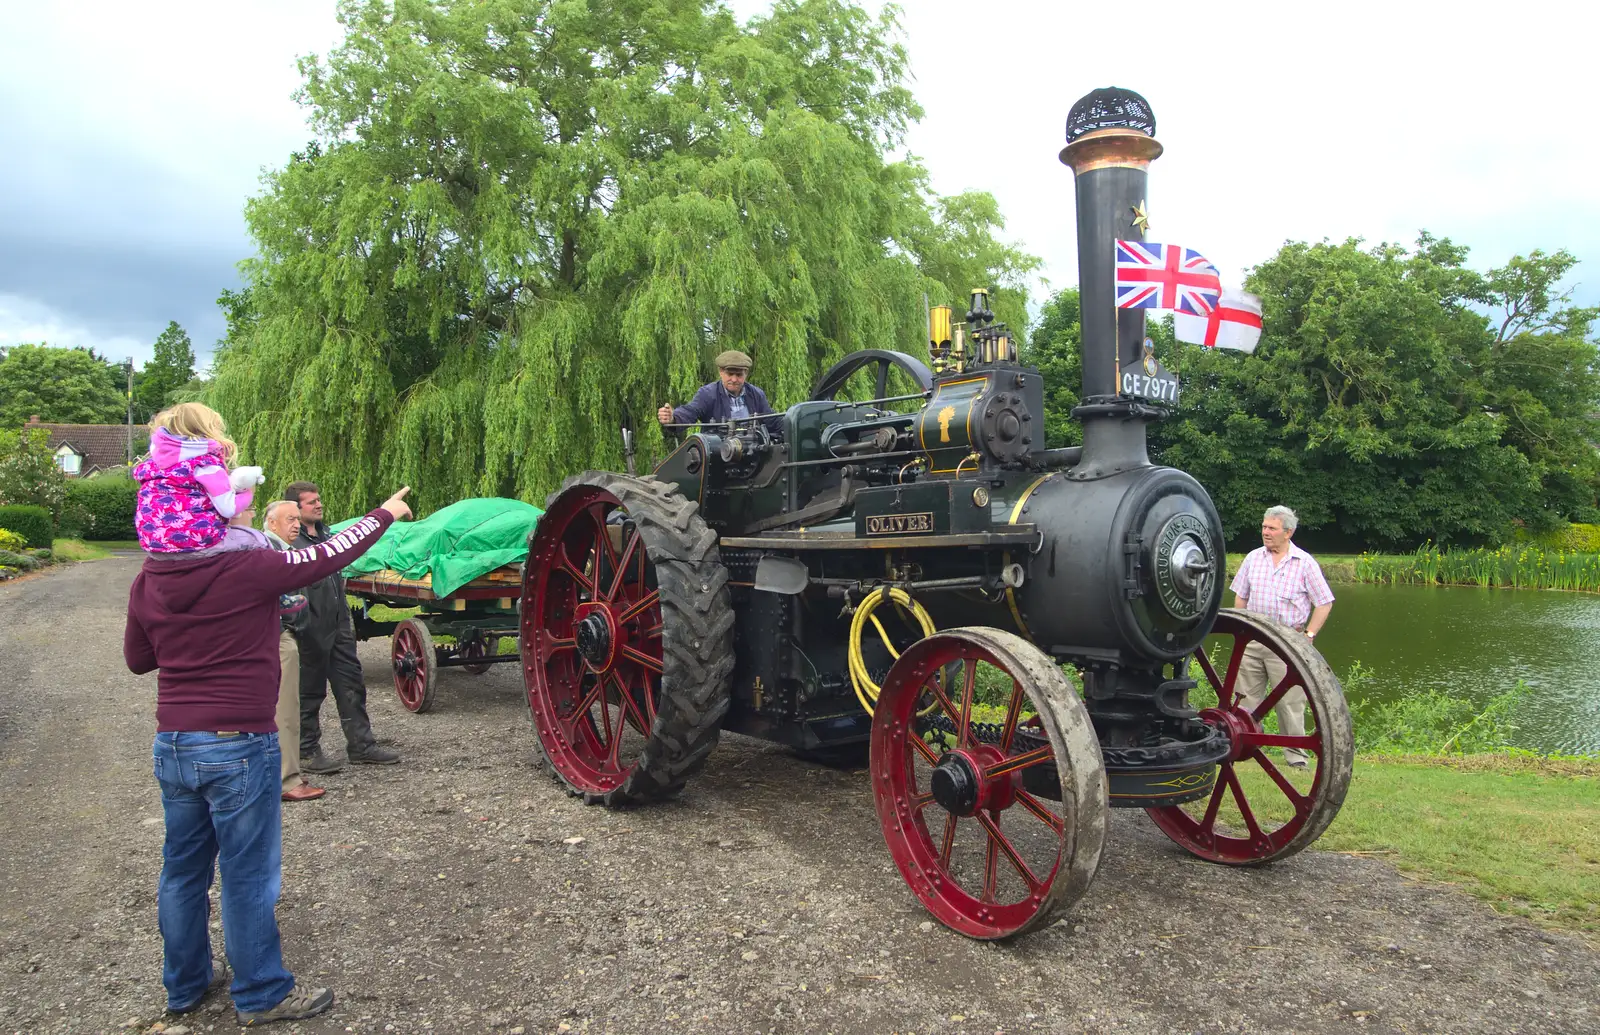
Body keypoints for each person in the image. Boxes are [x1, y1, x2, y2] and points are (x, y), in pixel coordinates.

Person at [125, 417, 413, 1025]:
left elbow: (137, 659)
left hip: (173, 742)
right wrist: (383, 514)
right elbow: (323, 553)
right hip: (236, 740)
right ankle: (260, 994)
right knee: (248, 873)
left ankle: (185, 987)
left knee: (182, 869)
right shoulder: (246, 566)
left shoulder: (151, 574)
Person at [283, 481, 401, 770]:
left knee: (351, 684)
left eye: (319, 499)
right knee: (309, 690)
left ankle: (362, 745)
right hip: (309, 626)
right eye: (311, 502)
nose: (318, 505)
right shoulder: (292, 543)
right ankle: (307, 751)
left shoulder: (328, 536)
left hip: (338, 623)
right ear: (297, 509)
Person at [1229, 505, 1335, 769]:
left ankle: (1296, 758)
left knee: (1289, 703)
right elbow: (1240, 596)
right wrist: (1240, 629)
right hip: (1252, 640)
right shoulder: (1253, 558)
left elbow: (1324, 602)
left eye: (1271, 528)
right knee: (1244, 699)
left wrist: (1309, 634)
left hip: (1287, 643)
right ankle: (1245, 752)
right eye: (1264, 527)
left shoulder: (1304, 563)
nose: (1265, 532)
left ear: (1288, 532)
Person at [134, 403, 265, 555]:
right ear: (207, 430)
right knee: (257, 540)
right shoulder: (206, 465)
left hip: (154, 544)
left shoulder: (155, 464)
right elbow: (228, 509)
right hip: (196, 543)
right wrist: (248, 492)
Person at [264, 499, 324, 803]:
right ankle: (287, 780)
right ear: (271, 523)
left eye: (296, 519)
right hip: (277, 635)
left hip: (277, 633)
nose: (296, 524)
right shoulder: (273, 553)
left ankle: (282, 772)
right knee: (285, 709)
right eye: (289, 519)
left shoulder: (279, 550)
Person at [656, 349, 777, 429]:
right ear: (721, 372)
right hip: (719, 457)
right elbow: (690, 412)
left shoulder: (757, 394)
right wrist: (673, 419)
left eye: (739, 375)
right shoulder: (707, 394)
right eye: (730, 374)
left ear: (746, 373)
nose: (734, 379)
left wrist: (793, 419)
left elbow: (772, 422)